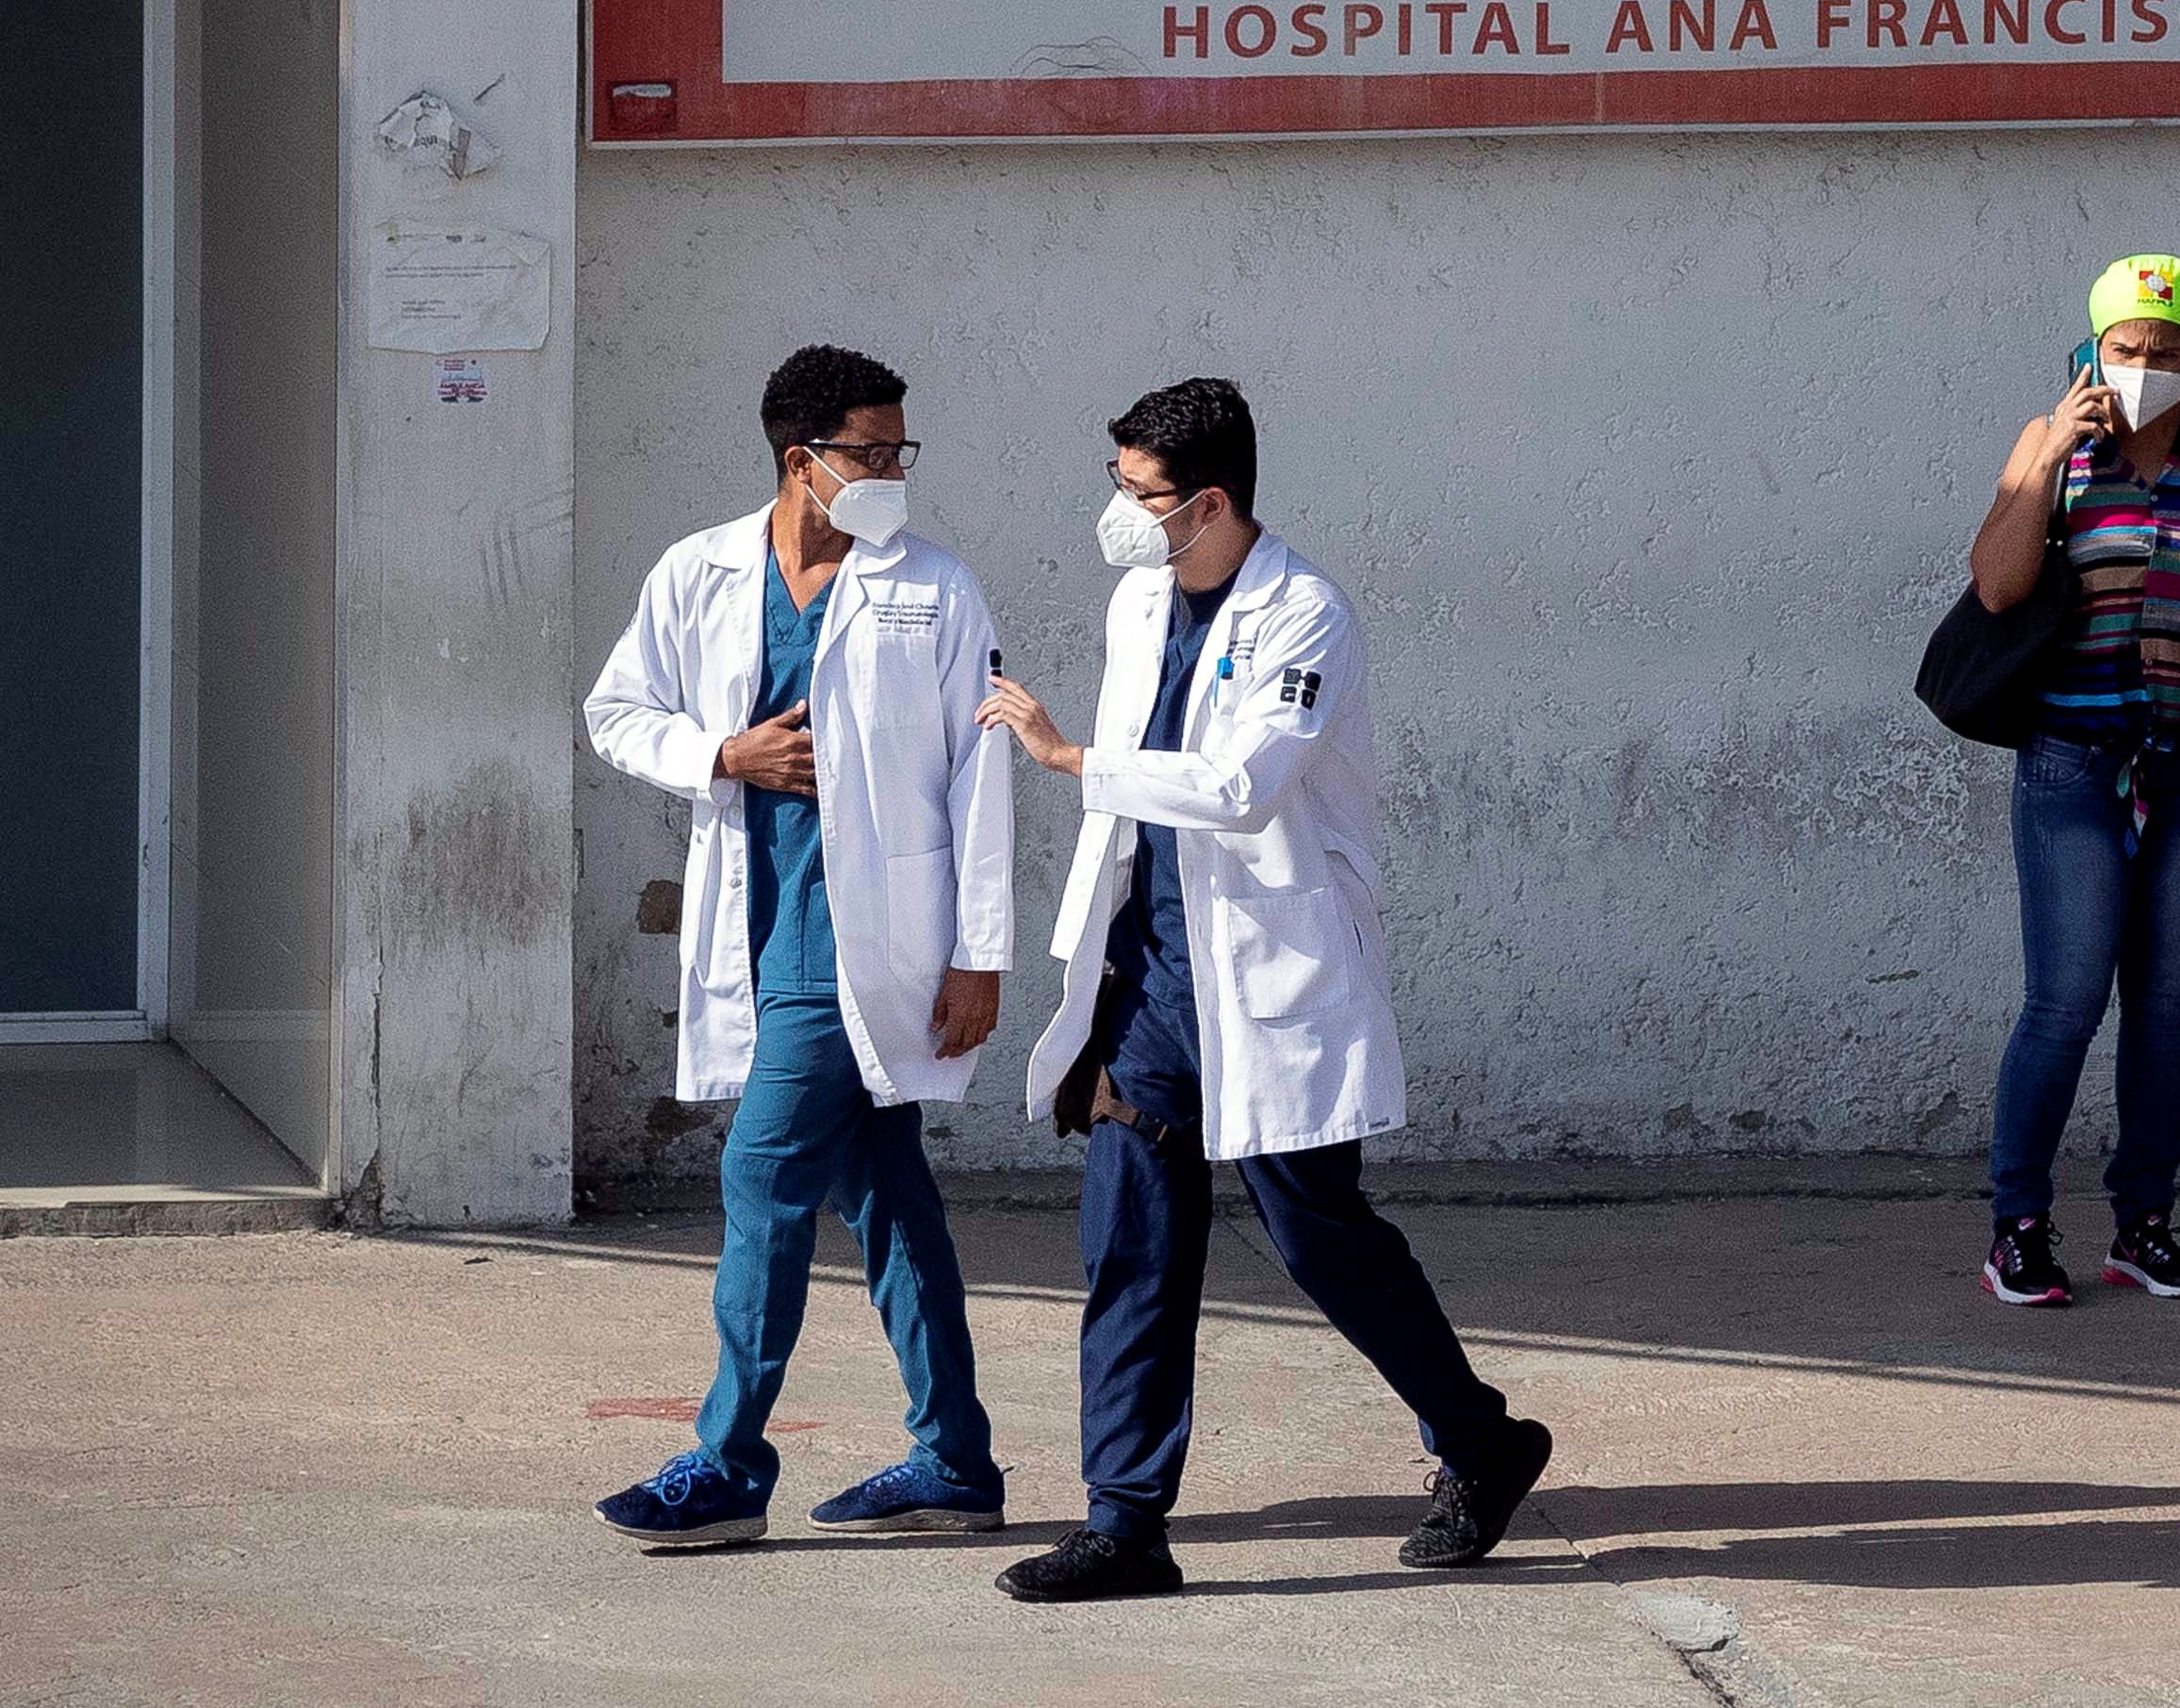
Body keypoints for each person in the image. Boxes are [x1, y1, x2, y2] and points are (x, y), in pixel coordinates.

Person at [975, 376, 1551, 1602]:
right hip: (1150, 979)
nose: (1118, 512)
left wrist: (1076, 757)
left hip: (1266, 974)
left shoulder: (1308, 615)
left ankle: (1482, 1439)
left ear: (1212, 500)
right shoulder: (1140, 599)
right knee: (1129, 1242)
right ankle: (1125, 1522)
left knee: (1317, 1232)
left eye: (1138, 492)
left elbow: (1240, 786)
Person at [578, 343, 1013, 1544]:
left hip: (864, 942)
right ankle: (957, 1457)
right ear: (800, 459)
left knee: (761, 1176)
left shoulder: (934, 585)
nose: (891, 472)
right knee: (886, 1197)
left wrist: (980, 953)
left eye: (899, 450)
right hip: (758, 921)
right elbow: (616, 710)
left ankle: (726, 1463)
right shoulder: (699, 569)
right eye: (869, 452)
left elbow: (980, 780)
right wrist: (723, 754)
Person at [1959, 255, 2180, 1306]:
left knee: (2165, 1006)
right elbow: (1997, 585)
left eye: (2168, 350)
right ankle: (2017, 1226)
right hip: (2073, 766)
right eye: (2127, 346)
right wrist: (2050, 457)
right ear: (2092, 348)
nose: (2147, 364)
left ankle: (2143, 1223)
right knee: (2064, 1001)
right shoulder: (2050, 444)